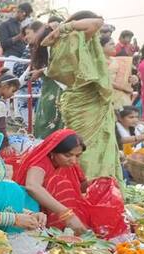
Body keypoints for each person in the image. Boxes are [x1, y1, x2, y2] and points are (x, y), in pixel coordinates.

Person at [40, 11, 123, 183]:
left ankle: (90, 186)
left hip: (79, 100)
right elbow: (97, 22)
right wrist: (65, 26)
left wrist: (62, 29)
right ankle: (91, 187)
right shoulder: (74, 38)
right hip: (84, 101)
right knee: (87, 148)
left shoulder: (62, 40)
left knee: (86, 147)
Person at [15, 130, 129, 239]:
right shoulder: (40, 163)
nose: (73, 161)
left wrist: (96, 182)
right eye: (68, 155)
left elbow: (77, 188)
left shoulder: (68, 165)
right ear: (52, 151)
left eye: (77, 156)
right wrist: (66, 214)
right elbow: (32, 186)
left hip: (64, 215)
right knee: (60, 183)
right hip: (38, 215)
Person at [101, 35, 134, 108]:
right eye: (111, 44)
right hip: (105, 96)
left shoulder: (118, 60)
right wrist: (123, 88)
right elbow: (103, 80)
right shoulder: (97, 62)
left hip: (122, 96)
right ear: (101, 47)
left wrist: (132, 78)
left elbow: (125, 77)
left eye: (114, 44)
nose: (114, 46)